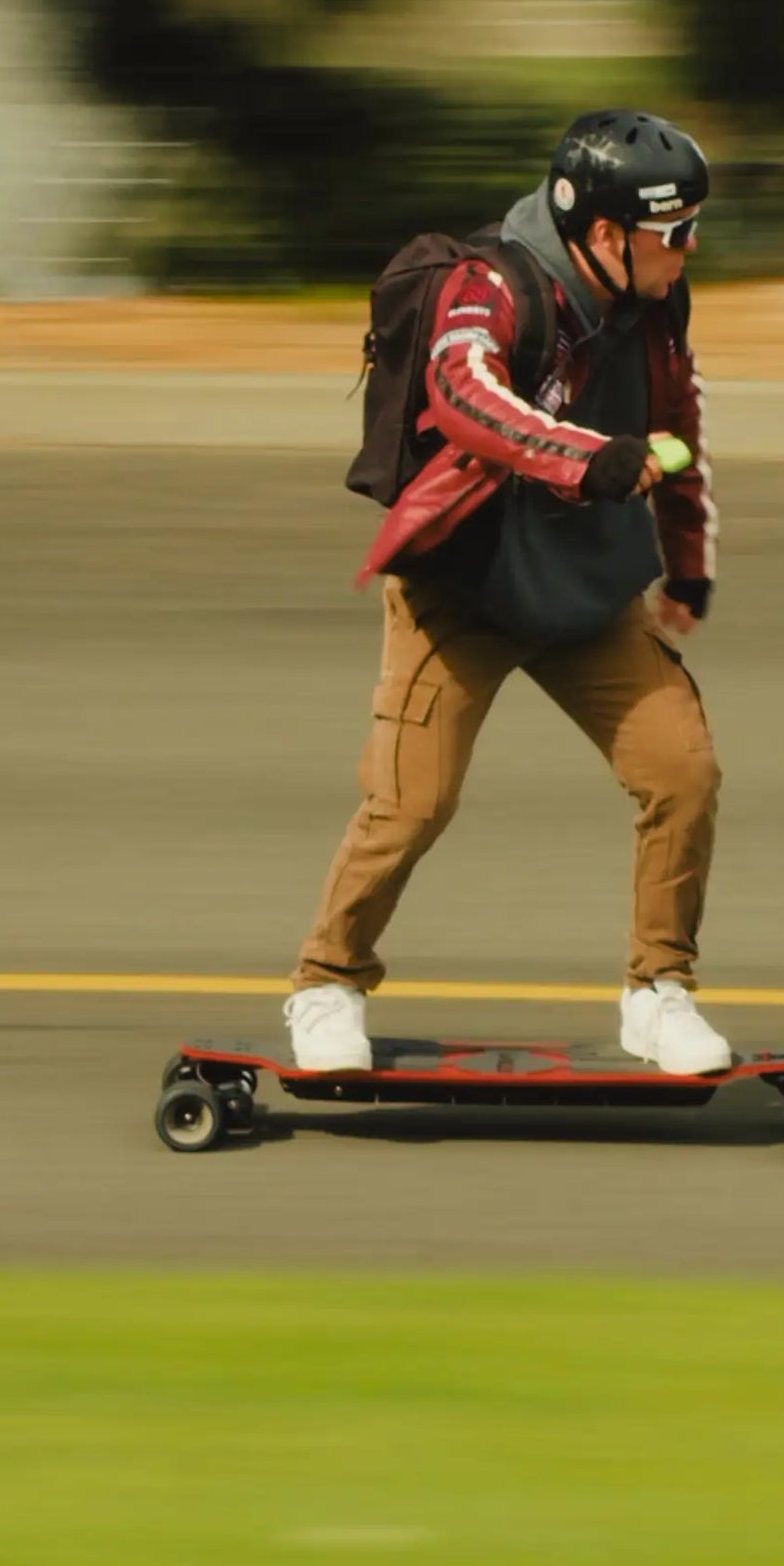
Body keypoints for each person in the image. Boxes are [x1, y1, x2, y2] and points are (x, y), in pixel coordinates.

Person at [285, 110, 731, 1077]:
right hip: (466, 591)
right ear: (607, 235)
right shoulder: (488, 286)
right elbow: (463, 393)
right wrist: (590, 459)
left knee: (682, 773)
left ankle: (659, 993)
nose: (691, 250)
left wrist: (687, 557)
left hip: (581, 593)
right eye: (676, 232)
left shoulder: (655, 305)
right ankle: (327, 982)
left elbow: (677, 424)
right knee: (410, 806)